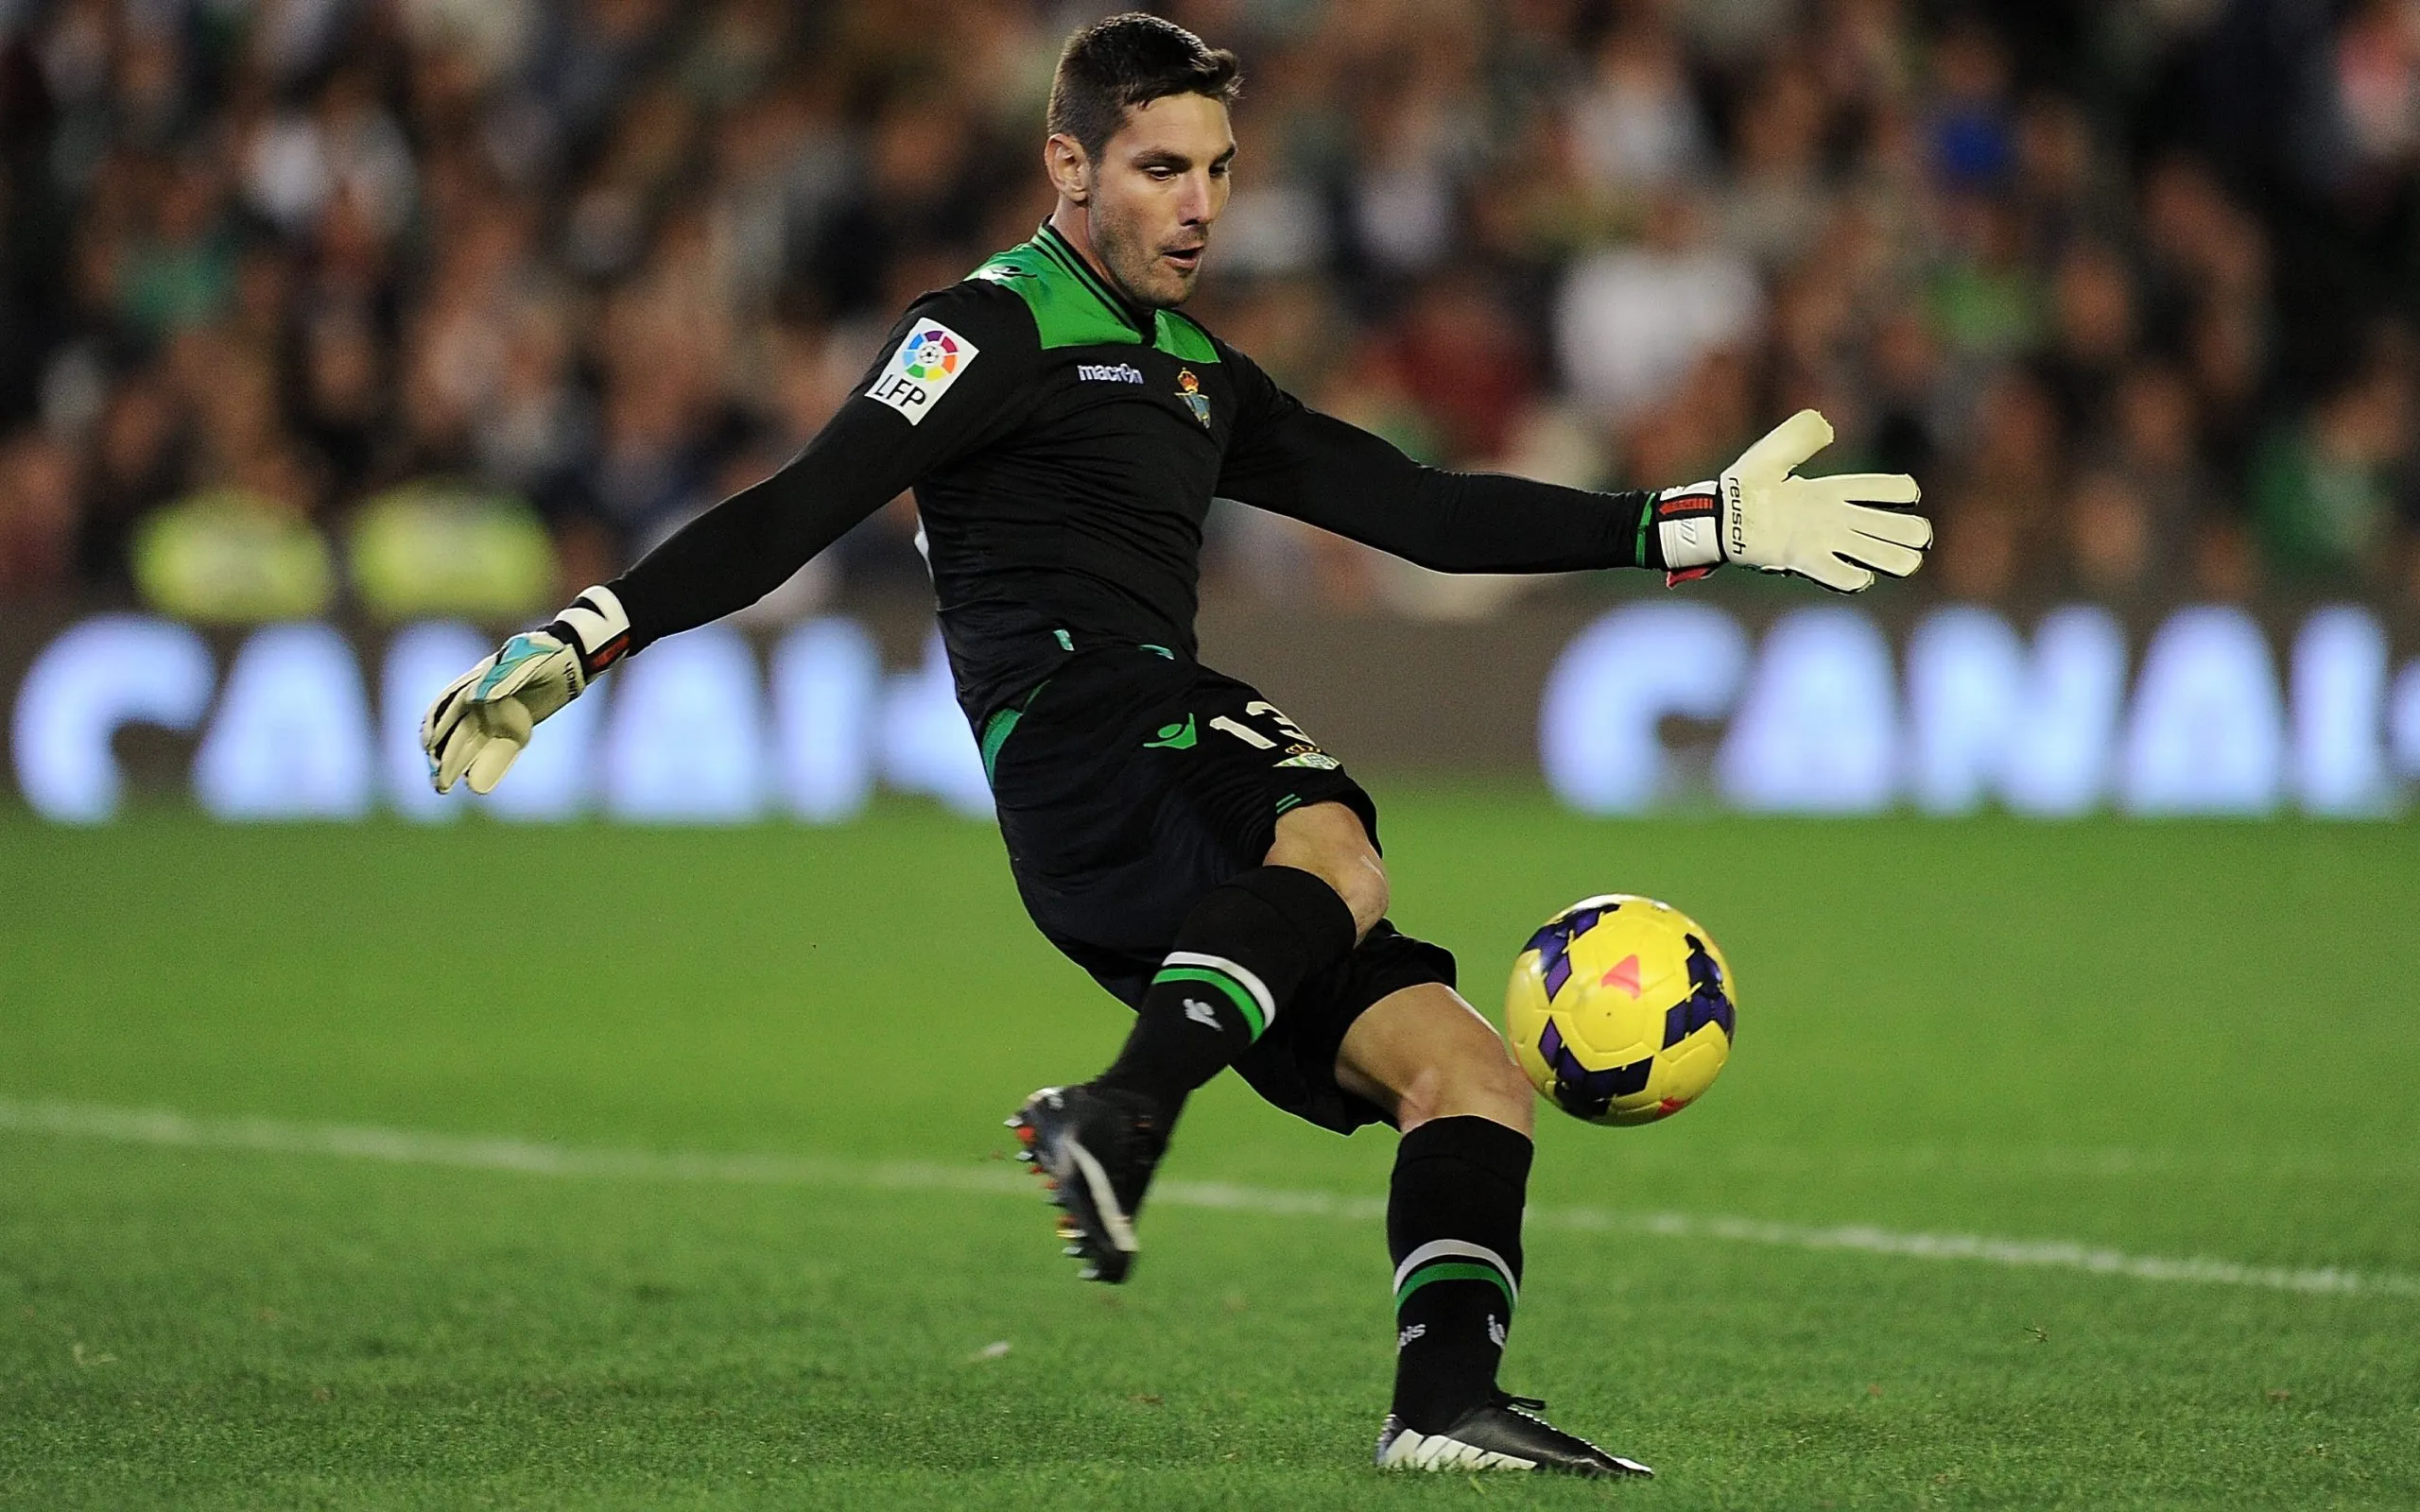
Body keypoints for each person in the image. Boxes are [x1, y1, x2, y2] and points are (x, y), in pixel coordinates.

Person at [421, 13, 1930, 1480]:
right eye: (1160, 169)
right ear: (1068, 167)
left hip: (1163, 837)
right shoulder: (986, 328)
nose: (1199, 203)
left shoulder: (1197, 368)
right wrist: (582, 636)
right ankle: (1120, 1114)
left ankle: (1443, 1406)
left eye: (1216, 168)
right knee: (1333, 828)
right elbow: (793, 510)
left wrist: (1699, 522)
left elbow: (1421, 513)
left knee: (1468, 1075)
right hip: (1081, 730)